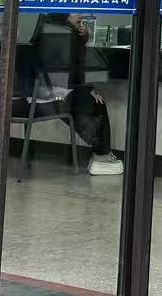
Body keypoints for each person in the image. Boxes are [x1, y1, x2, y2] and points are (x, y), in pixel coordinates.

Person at [38, 11, 122, 176]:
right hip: (56, 97)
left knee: (89, 101)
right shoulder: (65, 35)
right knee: (96, 104)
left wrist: (82, 37)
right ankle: (102, 155)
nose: (81, 15)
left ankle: (100, 153)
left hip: (46, 94)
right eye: (76, 12)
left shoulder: (54, 29)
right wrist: (88, 90)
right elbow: (74, 69)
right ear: (64, 15)